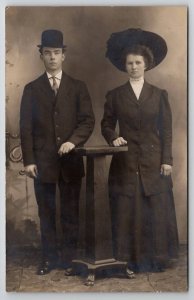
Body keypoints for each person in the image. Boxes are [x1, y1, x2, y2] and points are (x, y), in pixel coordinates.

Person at [101, 28, 179, 273]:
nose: (133, 67)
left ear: (146, 65)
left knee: (152, 209)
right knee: (127, 210)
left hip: (153, 161)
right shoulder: (115, 95)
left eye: (137, 62)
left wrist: (167, 160)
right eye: (129, 63)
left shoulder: (158, 95)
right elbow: (106, 125)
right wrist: (113, 137)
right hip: (125, 161)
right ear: (124, 66)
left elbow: (166, 130)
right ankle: (128, 260)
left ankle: (156, 259)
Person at [20, 29, 95, 275]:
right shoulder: (31, 89)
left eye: (57, 53)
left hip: (71, 161)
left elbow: (87, 121)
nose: (52, 57)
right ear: (41, 55)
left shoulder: (78, 87)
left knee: (71, 213)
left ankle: (70, 260)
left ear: (64, 55)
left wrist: (73, 141)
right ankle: (49, 259)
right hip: (42, 163)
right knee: (47, 213)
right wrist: (29, 161)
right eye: (48, 53)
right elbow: (26, 128)